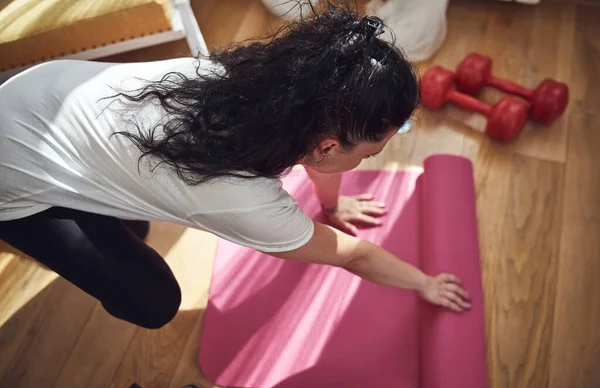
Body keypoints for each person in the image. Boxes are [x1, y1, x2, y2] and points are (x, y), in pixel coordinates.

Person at [0, 3, 470, 330]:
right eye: (369, 153)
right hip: (12, 171)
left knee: (134, 229)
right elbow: (356, 255)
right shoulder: (245, 202)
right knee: (153, 301)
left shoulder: (268, 90)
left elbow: (325, 157)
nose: (370, 159)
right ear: (327, 145)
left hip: (38, 95)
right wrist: (424, 282)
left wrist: (335, 204)